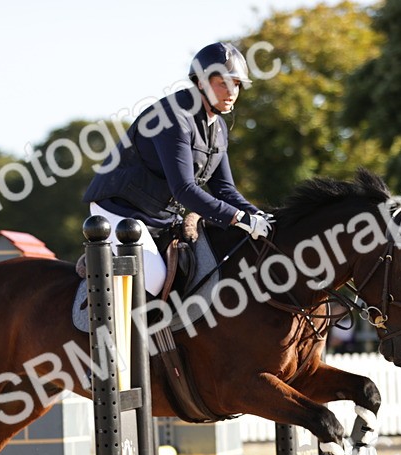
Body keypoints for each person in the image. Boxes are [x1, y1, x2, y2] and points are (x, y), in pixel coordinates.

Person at [82, 42, 271, 296]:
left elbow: (224, 190)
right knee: (155, 279)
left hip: (161, 217)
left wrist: (258, 215)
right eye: (223, 83)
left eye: (236, 84)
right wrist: (239, 218)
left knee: (203, 265)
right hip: (120, 210)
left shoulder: (218, 128)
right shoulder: (173, 117)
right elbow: (184, 189)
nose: (232, 92)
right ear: (201, 82)